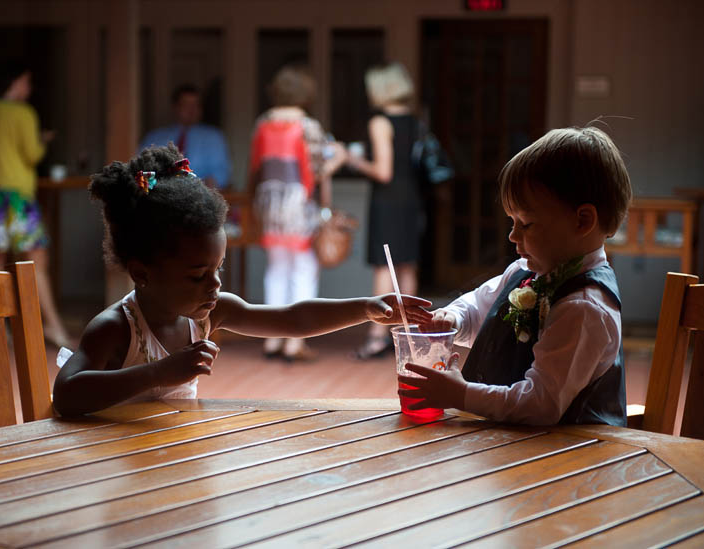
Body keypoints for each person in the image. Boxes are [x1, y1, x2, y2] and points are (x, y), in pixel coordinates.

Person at [52, 145, 431, 416]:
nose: (214, 285)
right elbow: (67, 394)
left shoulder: (207, 315)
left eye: (217, 270)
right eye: (198, 276)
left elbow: (292, 319)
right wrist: (160, 373)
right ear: (142, 273)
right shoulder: (116, 329)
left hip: (174, 463)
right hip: (114, 470)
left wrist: (365, 308)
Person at [399, 126, 633, 426]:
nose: (512, 236)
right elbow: (479, 309)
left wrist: (462, 395)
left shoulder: (584, 308)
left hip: (569, 459)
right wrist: (453, 319)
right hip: (510, 445)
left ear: (582, 221)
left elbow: (540, 404)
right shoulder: (526, 271)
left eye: (526, 223)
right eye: (512, 222)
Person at [0, 61, 74, 349]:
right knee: (37, 261)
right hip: (16, 197)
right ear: (14, 83)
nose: (29, 88)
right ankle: (54, 328)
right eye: (26, 82)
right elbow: (31, 154)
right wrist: (41, 140)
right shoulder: (24, 113)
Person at [249, 64, 346, 362]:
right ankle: (296, 341)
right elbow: (318, 171)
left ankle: (272, 339)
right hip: (299, 203)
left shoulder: (262, 123)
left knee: (276, 269)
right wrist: (339, 157)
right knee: (303, 269)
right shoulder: (308, 126)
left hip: (269, 202)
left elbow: (254, 166)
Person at [345, 62, 424, 360]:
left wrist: (351, 159)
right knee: (407, 265)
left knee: (384, 264)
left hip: (389, 199)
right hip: (411, 197)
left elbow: (383, 171)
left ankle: (378, 336)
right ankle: (410, 334)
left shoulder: (380, 122)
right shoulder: (414, 121)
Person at [138, 84, 231, 189]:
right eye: (186, 105)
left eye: (196, 105)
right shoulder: (155, 137)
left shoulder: (214, 137)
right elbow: (141, 170)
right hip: (162, 196)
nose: (192, 110)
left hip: (200, 196)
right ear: (175, 107)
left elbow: (222, 174)